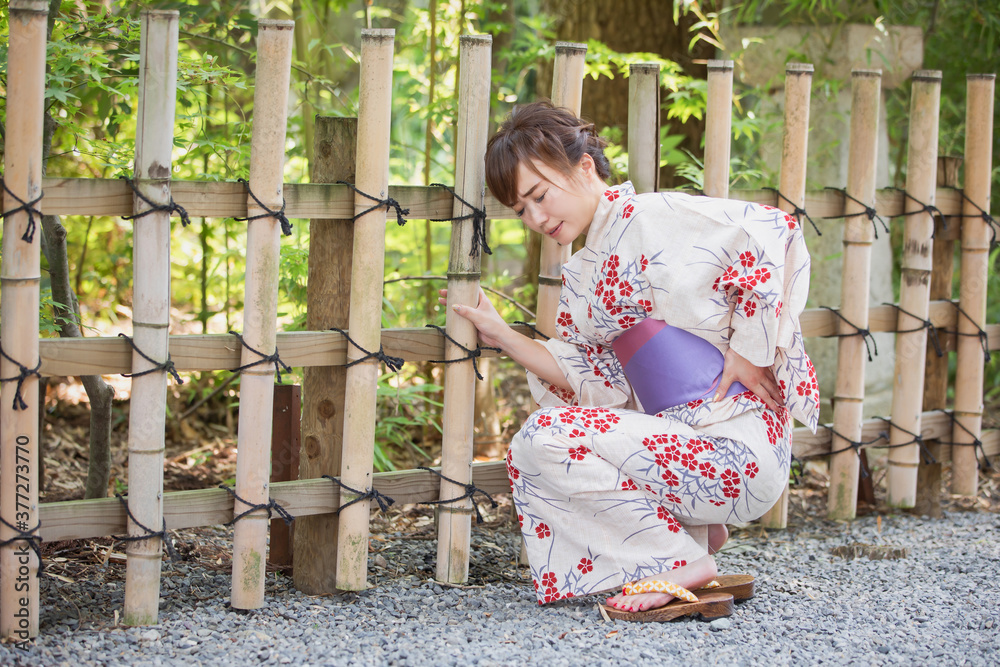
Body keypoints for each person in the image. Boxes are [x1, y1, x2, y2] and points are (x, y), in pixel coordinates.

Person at [443, 100, 819, 619]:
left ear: (584, 165)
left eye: (539, 196)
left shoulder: (651, 216)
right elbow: (590, 380)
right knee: (545, 434)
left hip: (737, 448)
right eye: (520, 210)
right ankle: (696, 533)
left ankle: (681, 560)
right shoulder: (582, 276)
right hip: (691, 454)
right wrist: (502, 333)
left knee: (541, 437)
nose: (535, 218)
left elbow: (773, 231)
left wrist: (749, 348)